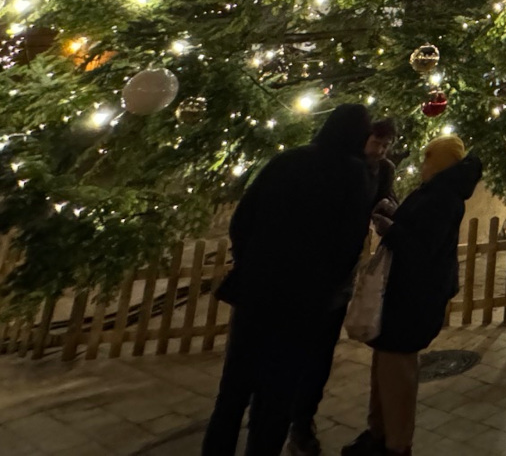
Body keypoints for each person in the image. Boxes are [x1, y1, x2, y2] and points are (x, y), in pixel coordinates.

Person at [203, 104, 375, 456]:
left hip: (256, 291)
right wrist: (327, 282)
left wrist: (251, 262)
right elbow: (350, 240)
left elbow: (243, 219)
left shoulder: (287, 161)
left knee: (234, 390)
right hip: (304, 301)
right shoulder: (353, 173)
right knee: (277, 393)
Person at [344, 137, 482, 456]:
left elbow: (423, 250)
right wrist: (396, 213)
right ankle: (378, 432)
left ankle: (397, 444)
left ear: (441, 162)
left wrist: (390, 229)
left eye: (428, 158)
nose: (423, 164)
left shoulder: (444, 197)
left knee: (399, 373)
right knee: (385, 366)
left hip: (415, 298)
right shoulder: (435, 190)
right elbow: (419, 227)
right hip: (400, 293)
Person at [288, 118, 401, 456]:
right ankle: (287, 417)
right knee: (296, 350)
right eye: (375, 143)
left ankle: (300, 421)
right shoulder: (337, 169)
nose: (379, 150)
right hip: (308, 272)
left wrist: (388, 210)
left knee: (320, 354)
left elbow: (386, 198)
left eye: (385, 145)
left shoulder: (382, 170)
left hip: (341, 274)